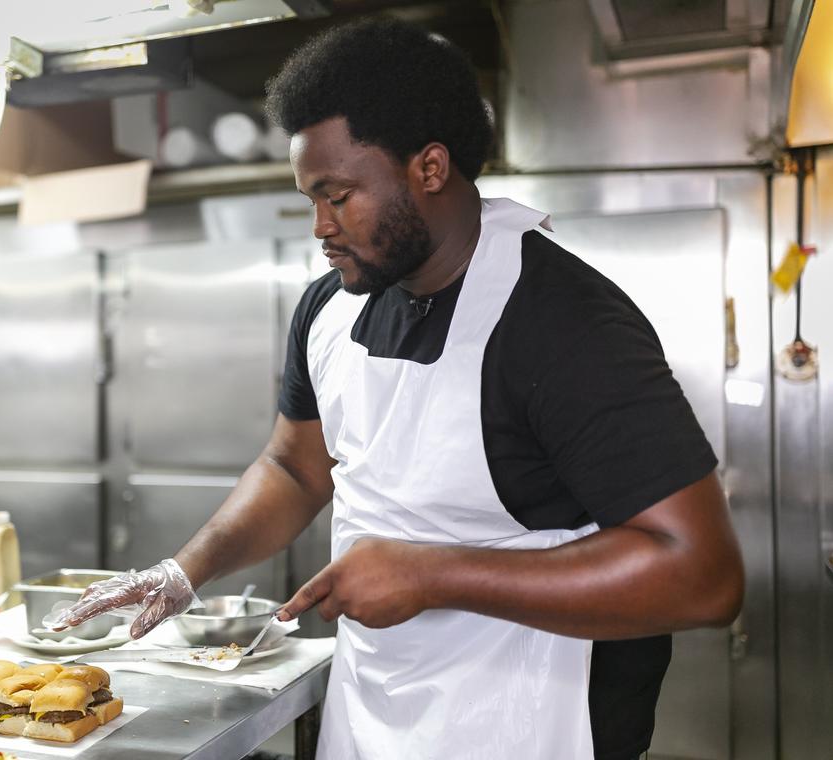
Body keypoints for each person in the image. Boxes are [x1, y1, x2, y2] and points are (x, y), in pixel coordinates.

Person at [47, 17, 744, 760]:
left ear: (431, 169)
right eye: (310, 198)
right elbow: (293, 468)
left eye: (339, 195)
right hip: (375, 715)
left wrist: (431, 574)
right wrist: (187, 568)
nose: (320, 225)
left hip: (539, 723)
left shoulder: (563, 324)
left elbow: (701, 574)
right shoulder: (330, 308)